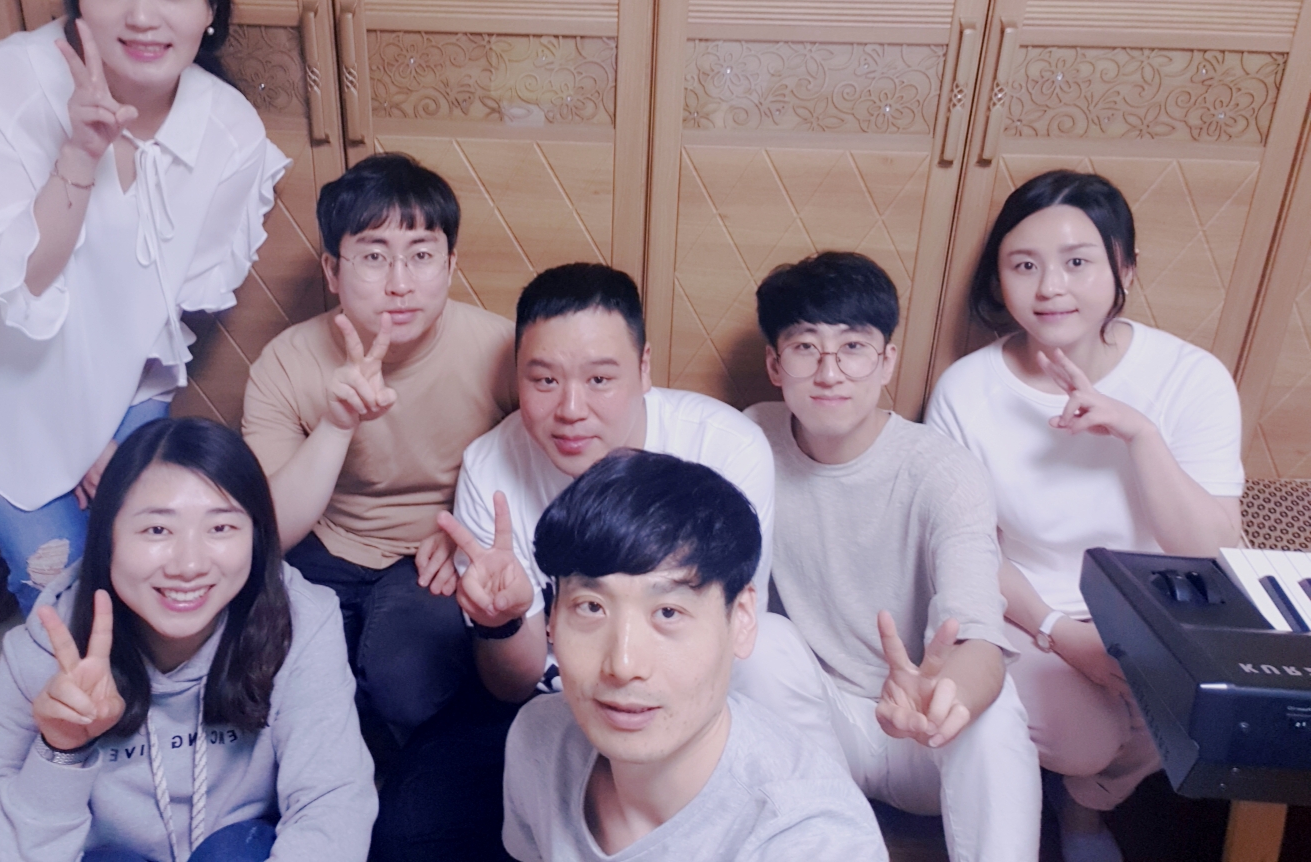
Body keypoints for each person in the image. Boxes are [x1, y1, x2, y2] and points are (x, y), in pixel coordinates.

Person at [0, 0, 290, 616]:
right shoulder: (8, 81)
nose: (141, 15)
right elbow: (25, 281)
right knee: (62, 582)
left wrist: (107, 439)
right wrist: (79, 152)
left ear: (210, 9)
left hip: (118, 377)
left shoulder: (228, 130)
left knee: (142, 565)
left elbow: (170, 309)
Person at [371, 263, 778, 862]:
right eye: (543, 380)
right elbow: (513, 685)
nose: (570, 409)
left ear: (643, 368)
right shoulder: (491, 464)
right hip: (548, 705)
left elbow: (726, 644)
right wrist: (503, 621)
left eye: (599, 379)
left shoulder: (723, 449)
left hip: (675, 708)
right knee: (408, 830)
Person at [925, 170, 1245, 862]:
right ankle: (1079, 790)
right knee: (1087, 738)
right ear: (998, 278)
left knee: (1203, 713)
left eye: (1077, 262)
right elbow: (967, 548)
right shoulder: (967, 391)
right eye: (1024, 266)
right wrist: (1061, 634)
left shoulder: (1191, 377)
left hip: (1159, 611)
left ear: (1124, 268)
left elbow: (1218, 548)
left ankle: (1087, 806)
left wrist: (1140, 436)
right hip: (1029, 616)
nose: (1050, 288)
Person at [0, 416, 377, 862]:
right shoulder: (45, 653)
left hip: (242, 849)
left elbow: (332, 803)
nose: (189, 565)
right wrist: (60, 750)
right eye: (157, 529)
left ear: (256, 537)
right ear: (107, 537)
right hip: (107, 852)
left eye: (221, 528)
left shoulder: (301, 622)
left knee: (233, 850)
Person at [736, 252, 1040, 862]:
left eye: (853, 347)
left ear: (887, 361)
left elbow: (979, 637)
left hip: (923, 734)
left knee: (993, 703)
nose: (830, 373)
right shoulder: (749, 440)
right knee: (757, 638)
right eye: (805, 348)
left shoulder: (943, 471)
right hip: (813, 733)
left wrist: (939, 703)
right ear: (774, 364)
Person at [241, 153, 514, 745]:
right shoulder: (286, 363)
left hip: (433, 556)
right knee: (271, 683)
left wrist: (467, 528)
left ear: (451, 264)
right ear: (332, 271)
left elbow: (552, 466)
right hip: (323, 545)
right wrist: (337, 424)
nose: (399, 283)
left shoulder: (502, 351)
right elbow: (270, 530)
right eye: (372, 256)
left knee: (408, 683)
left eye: (422, 255)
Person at [502, 448, 888, 862]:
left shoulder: (811, 839)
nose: (623, 665)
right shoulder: (539, 739)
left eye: (668, 613)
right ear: (553, 617)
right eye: (591, 607)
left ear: (742, 620)